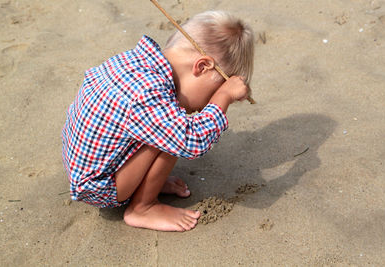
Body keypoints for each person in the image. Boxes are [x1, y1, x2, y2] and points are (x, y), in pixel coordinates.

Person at [62, 10, 254, 231]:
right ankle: (143, 207)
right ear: (202, 67)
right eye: (215, 89)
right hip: (100, 187)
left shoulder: (137, 63)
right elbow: (192, 141)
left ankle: (144, 184)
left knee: (167, 124)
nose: (206, 103)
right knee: (176, 133)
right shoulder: (147, 93)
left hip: (85, 166)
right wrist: (224, 97)